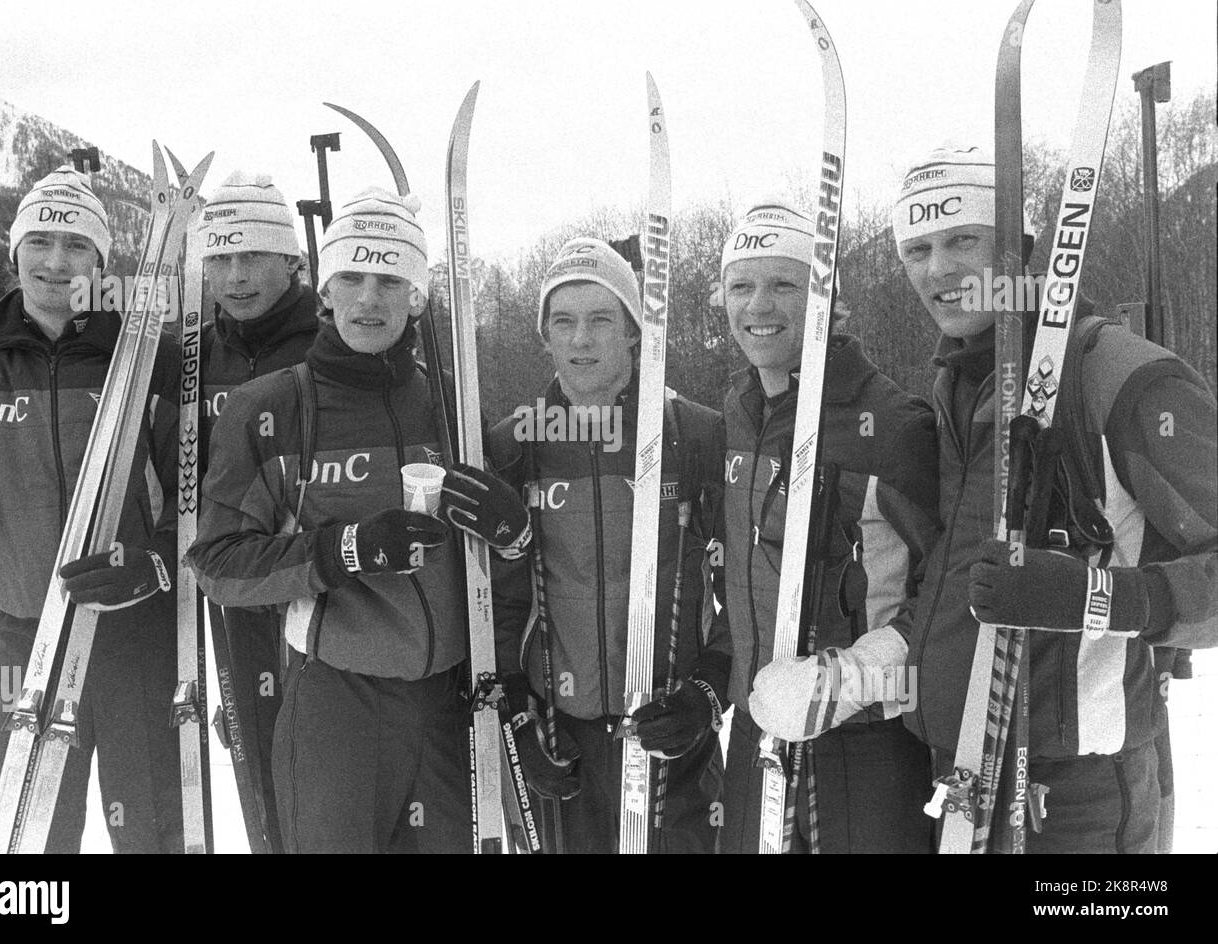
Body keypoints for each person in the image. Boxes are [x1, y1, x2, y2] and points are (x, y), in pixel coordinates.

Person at [893, 144, 1218, 853]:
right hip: (966, 775)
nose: (939, 269)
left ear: (1024, 250)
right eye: (917, 249)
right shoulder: (954, 387)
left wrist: (1094, 600)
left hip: (1080, 798)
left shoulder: (1116, 376)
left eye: (961, 241)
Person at [187, 188, 528, 853]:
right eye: (352, 276)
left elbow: (505, 559)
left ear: (417, 295)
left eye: (390, 279)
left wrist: (511, 530)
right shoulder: (273, 409)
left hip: (448, 704)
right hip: (338, 703)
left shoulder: (454, 403)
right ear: (325, 291)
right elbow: (220, 565)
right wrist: (345, 550)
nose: (370, 297)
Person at [0, 166, 183, 853]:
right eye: (39, 241)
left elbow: (195, 500)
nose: (56, 261)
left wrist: (153, 564)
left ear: (101, 261)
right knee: (26, 833)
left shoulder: (147, 357)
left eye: (76, 245)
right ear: (15, 252)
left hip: (134, 635)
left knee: (150, 826)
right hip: (22, 634)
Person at [713, 198, 940, 853]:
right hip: (758, 732)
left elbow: (945, 595)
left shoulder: (892, 424)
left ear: (827, 300)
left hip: (867, 742)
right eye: (741, 285)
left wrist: (849, 682)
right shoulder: (736, 417)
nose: (759, 305)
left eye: (785, 283)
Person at [489, 237, 728, 854]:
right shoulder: (513, 445)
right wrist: (517, 716)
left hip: (669, 728)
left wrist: (706, 693)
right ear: (544, 335)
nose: (581, 339)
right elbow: (495, 597)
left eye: (601, 319)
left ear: (633, 331)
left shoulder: (693, 433)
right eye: (563, 322)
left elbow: (749, 586)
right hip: (559, 736)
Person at [195, 171, 320, 853]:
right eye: (220, 258)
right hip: (232, 595)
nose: (235, 276)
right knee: (260, 791)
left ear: (292, 262)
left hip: (322, 591)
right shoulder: (192, 354)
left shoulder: (329, 346)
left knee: (326, 786)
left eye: (253, 257)